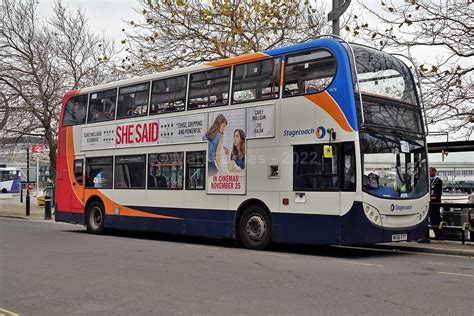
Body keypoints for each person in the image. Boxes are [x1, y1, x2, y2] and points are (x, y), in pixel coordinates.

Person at [428, 167, 443, 238]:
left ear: (434, 172)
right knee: (431, 219)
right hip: (429, 203)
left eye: (430, 171)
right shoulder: (429, 180)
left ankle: (439, 235)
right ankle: (435, 234)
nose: (429, 173)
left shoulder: (438, 181)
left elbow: (437, 194)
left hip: (435, 203)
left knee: (435, 219)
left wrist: (432, 197)